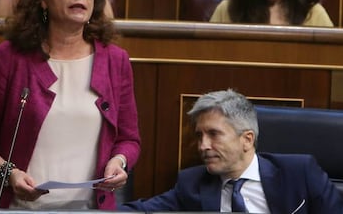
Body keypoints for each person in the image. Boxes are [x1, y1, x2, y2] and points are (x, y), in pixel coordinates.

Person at [0, 0, 140, 210]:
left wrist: (119, 162)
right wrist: (9, 174)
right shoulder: (9, 58)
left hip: (88, 209)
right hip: (16, 207)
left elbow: (128, 139)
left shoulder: (115, 60)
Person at [119, 89, 343, 213]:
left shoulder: (298, 173)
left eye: (214, 134)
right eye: (199, 136)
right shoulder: (193, 184)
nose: (203, 146)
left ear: (247, 139)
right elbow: (140, 211)